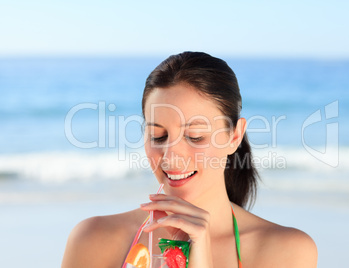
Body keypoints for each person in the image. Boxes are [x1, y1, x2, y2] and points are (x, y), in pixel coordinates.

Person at [62, 52, 317, 267]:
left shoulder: (286, 252)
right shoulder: (93, 239)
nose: (171, 156)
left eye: (195, 137)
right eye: (158, 136)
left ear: (234, 137)